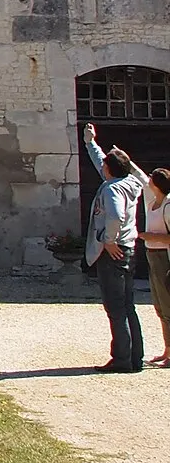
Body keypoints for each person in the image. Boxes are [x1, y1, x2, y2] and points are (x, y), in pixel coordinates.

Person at [83, 122, 146, 373]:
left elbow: (115, 216)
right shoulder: (130, 182)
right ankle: (134, 358)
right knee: (127, 305)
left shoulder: (112, 189)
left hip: (115, 250)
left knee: (115, 307)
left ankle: (122, 359)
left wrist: (108, 240)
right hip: (129, 247)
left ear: (110, 169)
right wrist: (90, 143)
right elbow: (103, 164)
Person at [143, 166, 170, 368]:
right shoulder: (153, 202)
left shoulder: (168, 206)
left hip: (164, 257)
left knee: (168, 305)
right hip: (152, 255)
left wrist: (152, 237)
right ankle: (167, 349)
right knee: (160, 306)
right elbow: (137, 175)